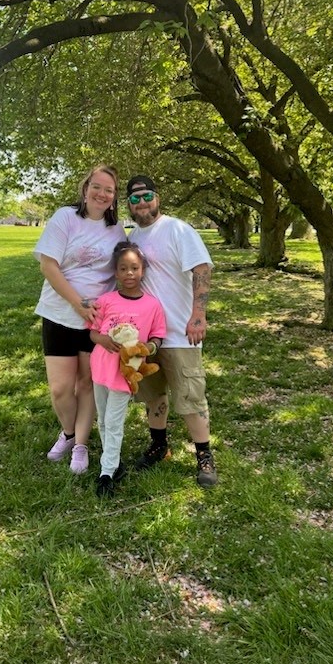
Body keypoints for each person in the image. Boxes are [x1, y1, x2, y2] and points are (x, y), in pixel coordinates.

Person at [34, 165, 127, 475]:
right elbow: (49, 266)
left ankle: (81, 445)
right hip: (59, 313)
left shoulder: (116, 230)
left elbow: (122, 270)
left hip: (95, 321)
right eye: (97, 187)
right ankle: (69, 434)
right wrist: (77, 304)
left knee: (86, 384)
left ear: (115, 198)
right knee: (61, 388)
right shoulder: (65, 217)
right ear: (85, 188)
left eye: (109, 190)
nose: (102, 194)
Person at [127, 174, 218, 487]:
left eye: (147, 195)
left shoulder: (178, 229)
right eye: (135, 198)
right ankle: (159, 445)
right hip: (146, 337)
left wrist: (198, 314)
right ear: (129, 204)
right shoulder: (131, 238)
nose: (142, 202)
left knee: (191, 397)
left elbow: (202, 268)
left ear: (157, 198)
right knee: (153, 395)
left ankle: (204, 456)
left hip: (180, 332)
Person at [89, 241, 167, 498]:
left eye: (134, 268)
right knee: (102, 419)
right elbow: (92, 332)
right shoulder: (106, 300)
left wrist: (147, 349)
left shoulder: (152, 305)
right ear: (116, 272)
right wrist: (101, 339)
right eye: (123, 268)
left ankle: (107, 472)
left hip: (125, 372)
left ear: (143, 270)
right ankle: (114, 461)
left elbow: (157, 337)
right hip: (101, 367)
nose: (129, 273)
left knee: (113, 422)